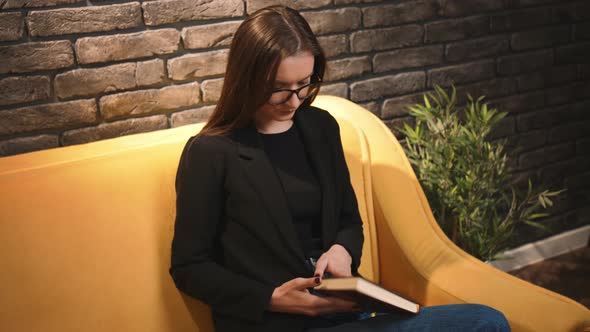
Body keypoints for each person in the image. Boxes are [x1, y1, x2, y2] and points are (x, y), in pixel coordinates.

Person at [169, 5, 511, 332]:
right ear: (247, 80)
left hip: (345, 312)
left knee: (486, 320)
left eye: (305, 83)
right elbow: (189, 267)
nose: (294, 100)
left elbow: (349, 220)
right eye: (279, 89)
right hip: (276, 324)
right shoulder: (211, 153)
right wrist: (273, 299)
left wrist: (342, 251)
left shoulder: (320, 127)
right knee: (485, 324)